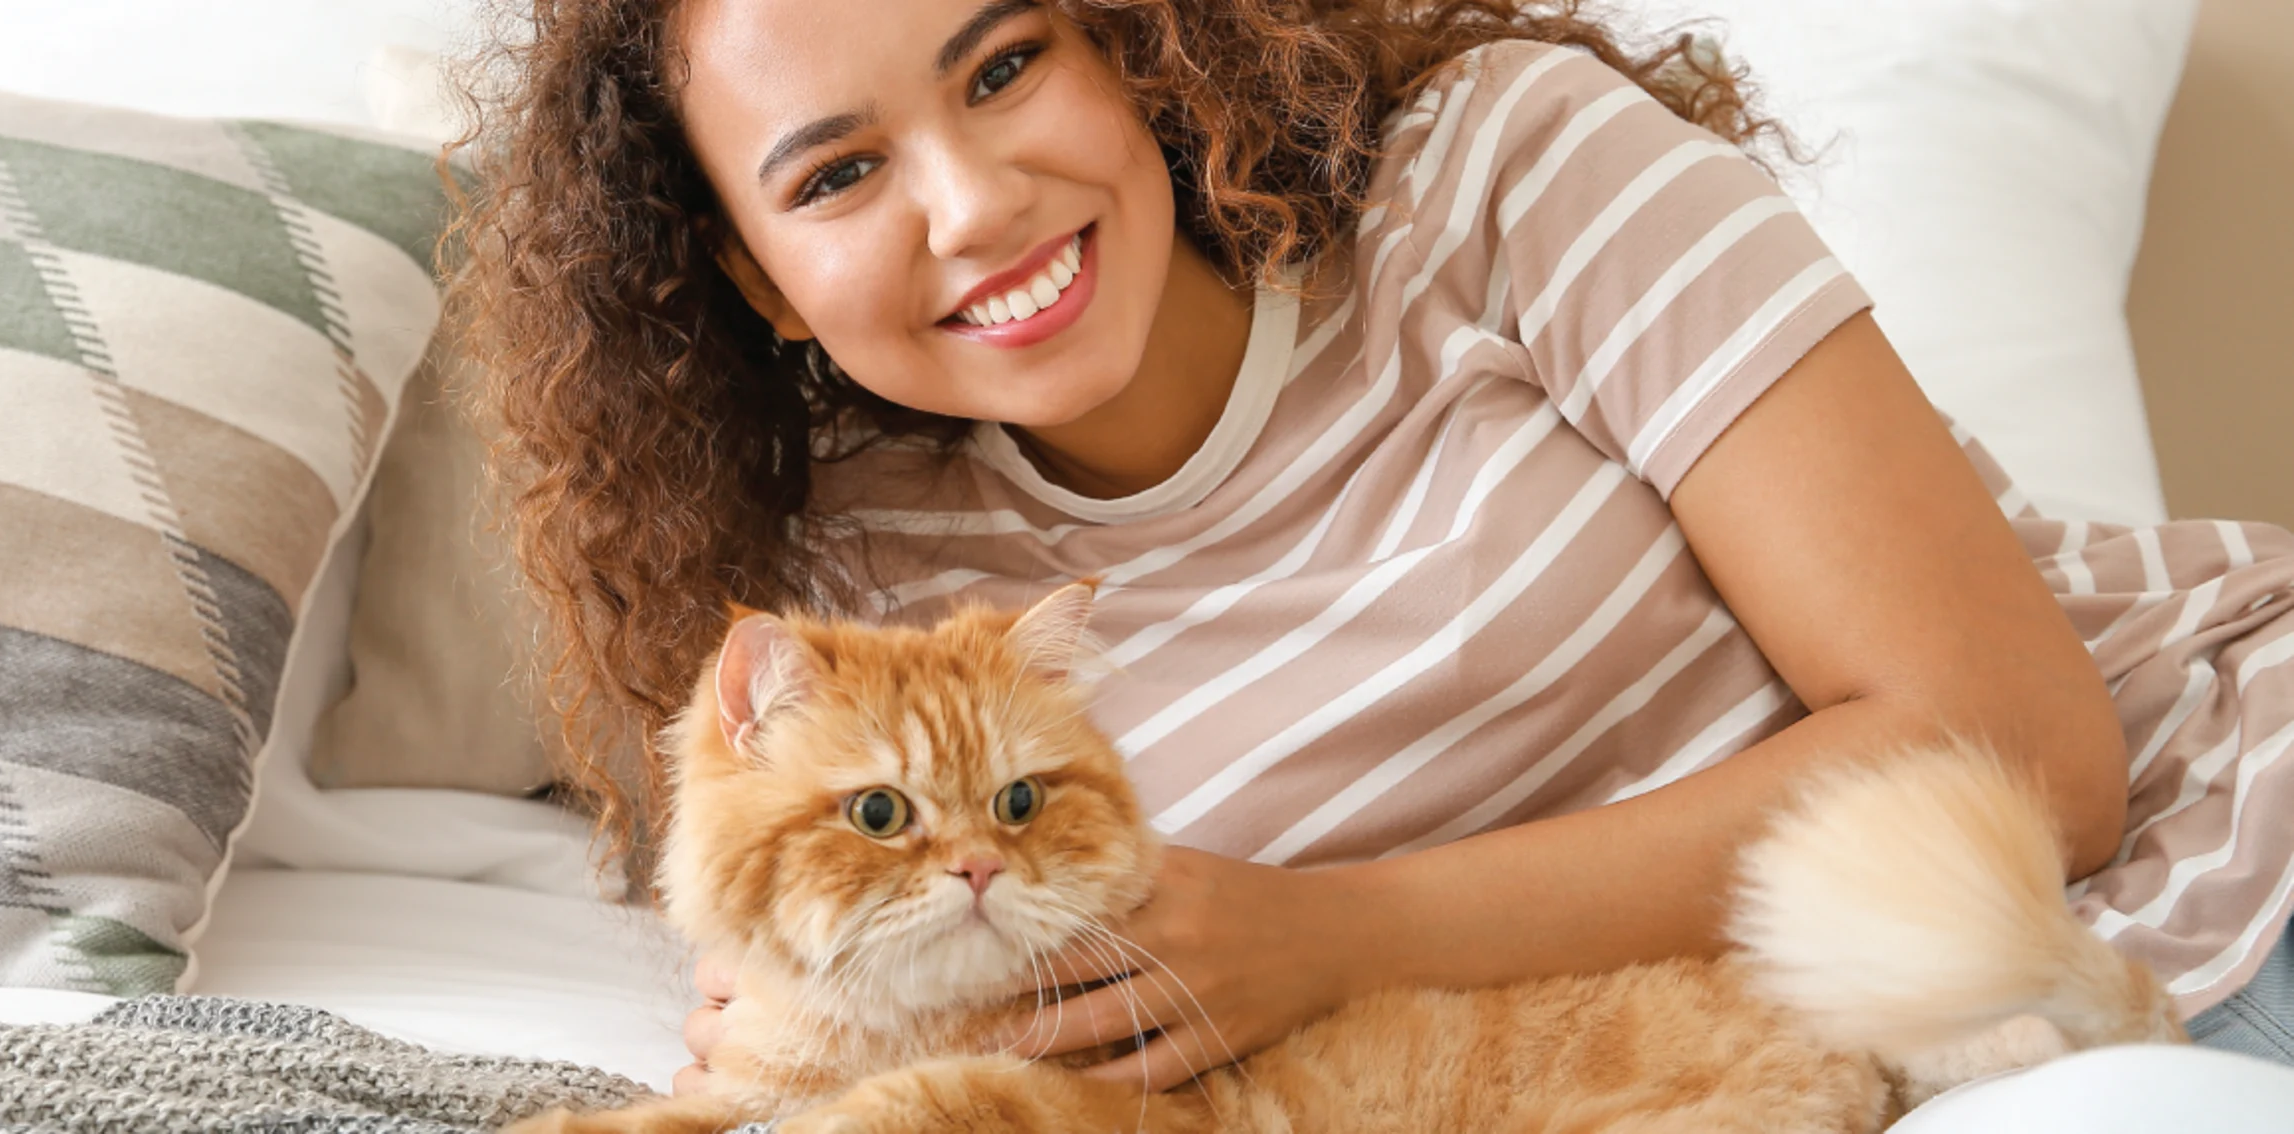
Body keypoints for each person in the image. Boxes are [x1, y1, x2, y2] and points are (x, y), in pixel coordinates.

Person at [445, 0, 2294, 1118]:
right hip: (1793, 1070)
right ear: (756, 272)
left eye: (1003, 64)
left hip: (2207, 868)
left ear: (1124, 36)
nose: (973, 202)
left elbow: (2024, 749)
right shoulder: (848, 566)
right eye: (834, 176)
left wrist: (1334, 933)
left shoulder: (1502, 176)